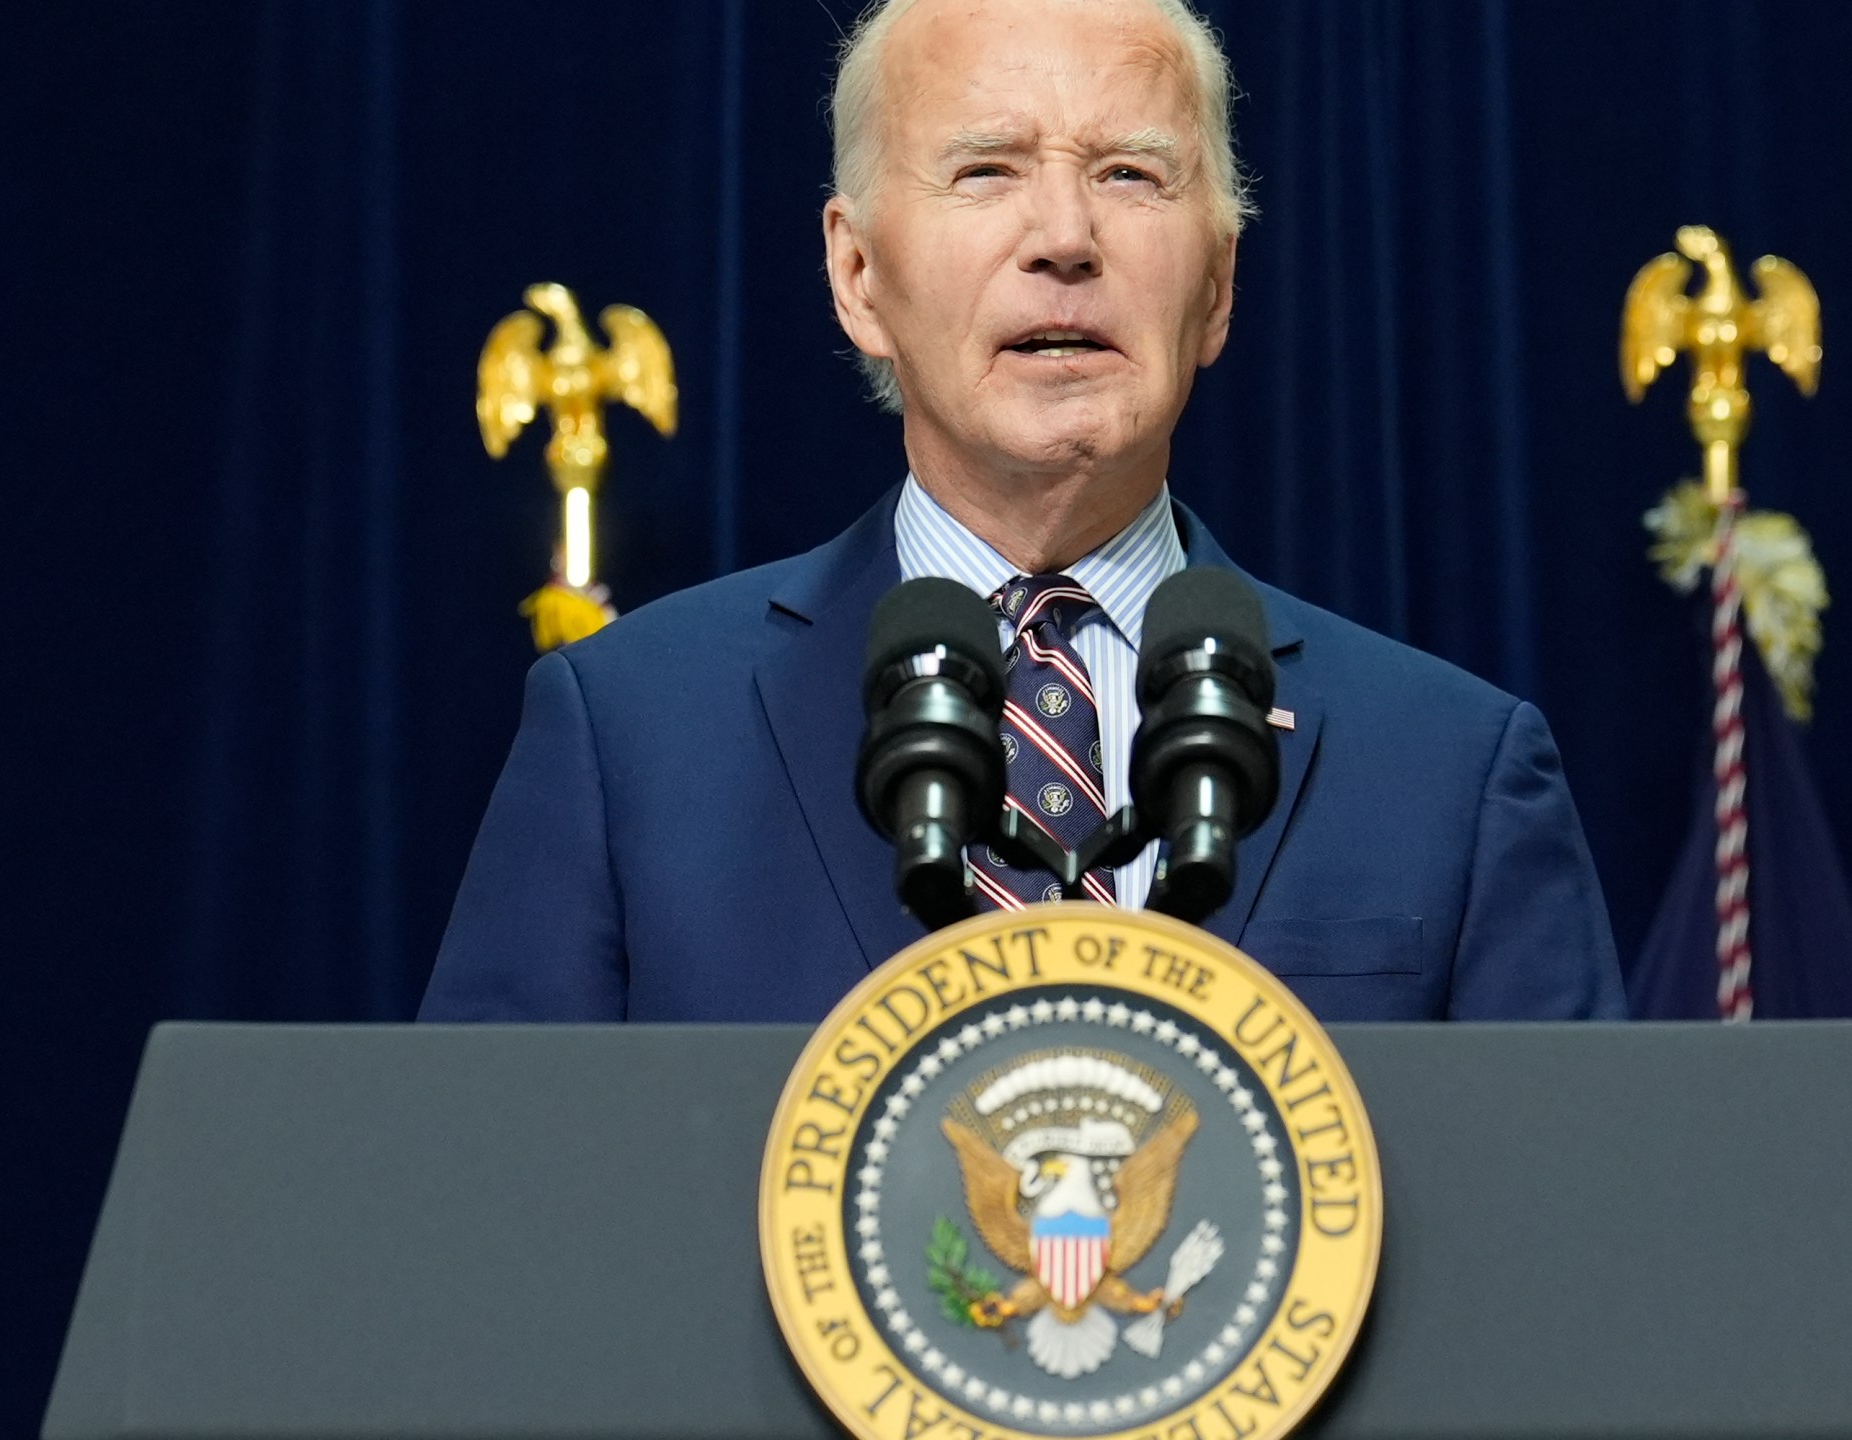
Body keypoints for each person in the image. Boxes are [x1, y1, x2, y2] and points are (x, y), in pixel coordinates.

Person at [419, 0, 1624, 1023]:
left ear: (1217, 287)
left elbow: (1571, 1245)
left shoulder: (1456, 768)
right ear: (858, 276)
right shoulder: (625, 739)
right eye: (986, 169)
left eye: (1128, 174)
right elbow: (488, 1212)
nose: (1064, 239)